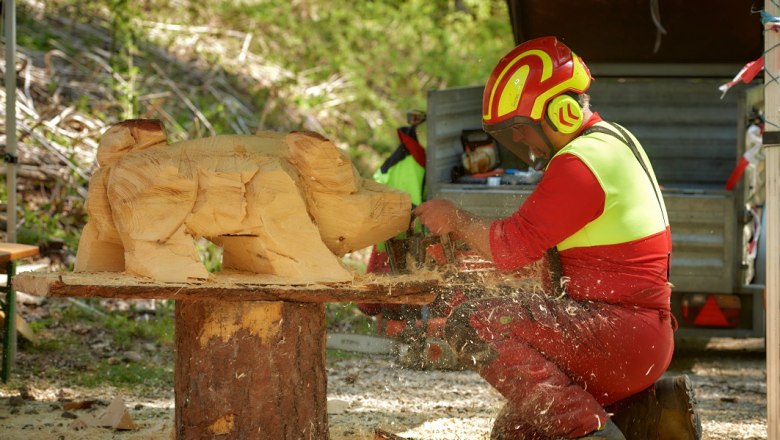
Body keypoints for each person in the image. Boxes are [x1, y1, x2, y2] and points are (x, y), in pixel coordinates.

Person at [414, 36, 702, 440]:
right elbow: (559, 250)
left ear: (561, 112)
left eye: (523, 130)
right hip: (637, 337)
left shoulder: (579, 162)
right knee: (516, 431)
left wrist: (454, 218)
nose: (524, 143)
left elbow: (510, 246)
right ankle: (645, 416)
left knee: (474, 320)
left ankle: (593, 433)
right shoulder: (615, 140)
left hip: (617, 336)